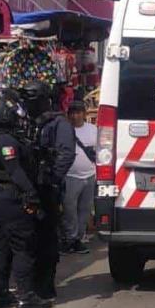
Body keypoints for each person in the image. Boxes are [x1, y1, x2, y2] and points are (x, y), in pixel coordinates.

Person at [0, 97, 52, 308]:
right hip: (10, 199)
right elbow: (15, 172)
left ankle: (0, 294)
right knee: (23, 247)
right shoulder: (6, 142)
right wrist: (32, 195)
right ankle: (25, 295)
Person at [19, 82, 75, 301]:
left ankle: (45, 286)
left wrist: (51, 180)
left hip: (47, 189)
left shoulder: (58, 123)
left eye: (32, 98)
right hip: (27, 188)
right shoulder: (27, 123)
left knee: (47, 239)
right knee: (26, 239)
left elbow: (66, 154)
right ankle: (28, 285)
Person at [61, 100, 95, 255]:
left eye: (78, 112)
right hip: (70, 176)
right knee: (69, 210)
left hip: (90, 175)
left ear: (84, 114)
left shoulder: (93, 129)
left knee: (85, 209)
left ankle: (78, 239)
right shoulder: (64, 130)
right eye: (72, 113)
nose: (75, 116)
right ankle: (70, 239)